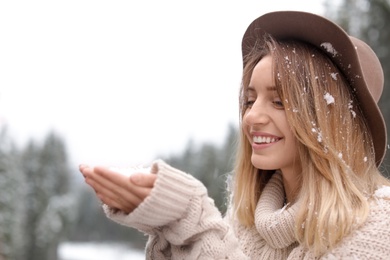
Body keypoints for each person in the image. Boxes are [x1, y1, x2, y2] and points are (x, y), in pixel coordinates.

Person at [79, 11, 390, 259]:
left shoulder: (378, 230)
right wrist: (172, 229)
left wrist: (193, 221)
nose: (251, 117)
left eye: (280, 101)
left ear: (329, 123)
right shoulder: (243, 226)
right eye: (250, 100)